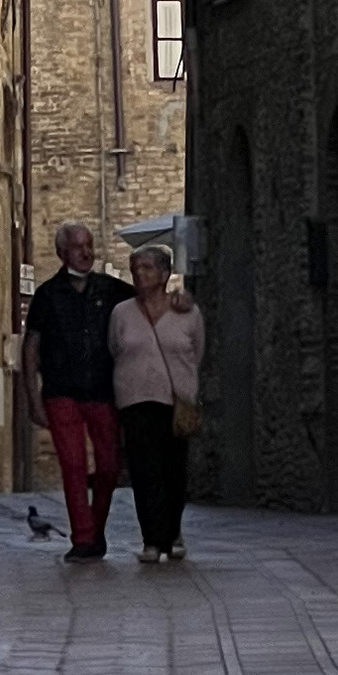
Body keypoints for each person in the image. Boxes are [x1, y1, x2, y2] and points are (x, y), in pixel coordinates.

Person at [21, 219, 123, 560]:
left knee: (109, 467)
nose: (86, 252)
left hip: (103, 390)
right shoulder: (47, 296)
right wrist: (32, 398)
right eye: (78, 247)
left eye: (89, 245)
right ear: (62, 253)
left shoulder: (111, 290)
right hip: (61, 391)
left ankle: (96, 528)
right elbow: (31, 348)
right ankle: (83, 538)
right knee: (73, 465)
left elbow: (148, 304)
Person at [110, 243, 204, 567]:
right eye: (135, 268)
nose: (139, 274)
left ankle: (172, 531)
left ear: (165, 274)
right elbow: (115, 348)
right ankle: (152, 539)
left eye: (147, 268)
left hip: (175, 401)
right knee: (143, 470)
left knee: (173, 470)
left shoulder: (187, 312)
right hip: (135, 399)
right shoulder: (121, 313)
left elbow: (197, 352)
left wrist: (186, 387)